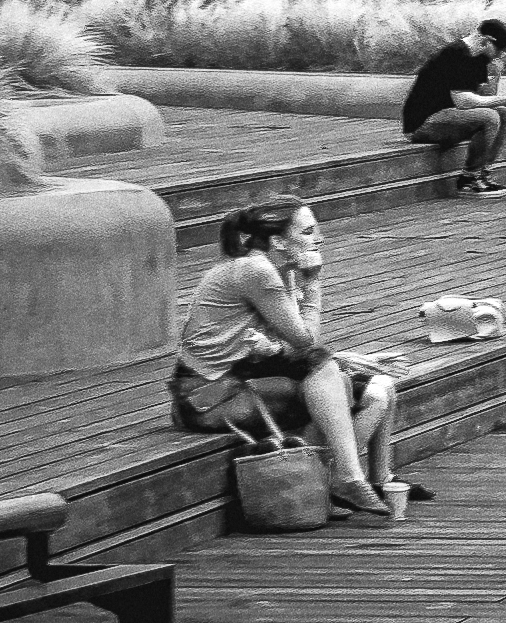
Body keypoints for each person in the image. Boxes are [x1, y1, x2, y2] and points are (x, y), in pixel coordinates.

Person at [171, 201, 410, 519]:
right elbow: (305, 341)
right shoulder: (255, 270)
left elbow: (293, 347)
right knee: (335, 376)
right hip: (208, 398)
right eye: (309, 231)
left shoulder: (275, 269)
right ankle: (341, 478)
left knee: (362, 384)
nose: (319, 239)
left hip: (240, 379)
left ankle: (350, 481)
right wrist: (313, 283)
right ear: (278, 241)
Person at [400, 15, 506, 193]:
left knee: (505, 115)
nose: (500, 55)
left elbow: (483, 98)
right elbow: (463, 101)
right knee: (490, 117)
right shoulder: (456, 54)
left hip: (450, 116)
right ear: (486, 41)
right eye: (499, 50)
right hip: (423, 122)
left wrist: (494, 77)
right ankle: (469, 178)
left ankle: (483, 173)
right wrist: (501, 99)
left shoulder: (480, 58)